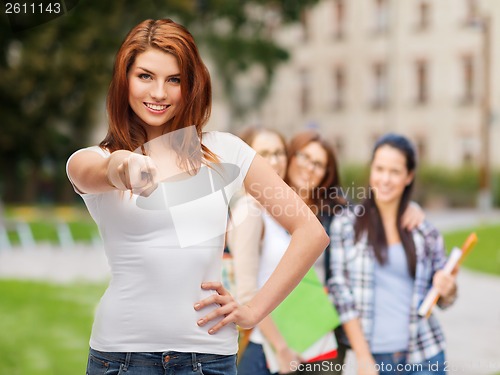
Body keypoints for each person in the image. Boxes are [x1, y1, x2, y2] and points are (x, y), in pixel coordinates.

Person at [66, 19, 329, 375]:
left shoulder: (227, 153)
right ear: (123, 80)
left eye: (173, 79)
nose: (159, 92)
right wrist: (124, 165)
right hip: (122, 358)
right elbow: (99, 172)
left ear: (191, 85)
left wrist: (252, 311)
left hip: (207, 359)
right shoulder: (91, 159)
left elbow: (311, 233)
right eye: (145, 76)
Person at [328, 133, 457, 375]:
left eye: (395, 172)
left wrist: (448, 290)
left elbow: (442, 296)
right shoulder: (346, 225)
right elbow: (340, 293)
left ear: (408, 176)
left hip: (425, 355)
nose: (385, 179)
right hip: (374, 359)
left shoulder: (424, 231)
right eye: (379, 169)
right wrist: (363, 357)